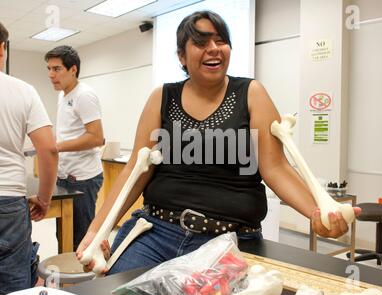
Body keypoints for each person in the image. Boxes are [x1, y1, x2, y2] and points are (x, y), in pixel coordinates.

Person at [77, 11, 361, 274]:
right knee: (121, 292)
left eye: (221, 40)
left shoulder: (251, 93)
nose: (213, 48)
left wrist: (320, 212)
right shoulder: (162, 97)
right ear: (181, 56)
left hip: (230, 241)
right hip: (157, 232)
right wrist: (96, 230)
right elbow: (134, 171)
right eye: (201, 42)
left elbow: (276, 168)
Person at [0, 22, 58, 295]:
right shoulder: (23, 91)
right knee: (13, 283)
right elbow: (48, 150)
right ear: (3, 49)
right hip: (8, 202)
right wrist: (44, 200)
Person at [44, 46, 104, 251]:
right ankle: (65, 280)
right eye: (49, 69)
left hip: (84, 179)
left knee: (80, 237)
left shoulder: (84, 95)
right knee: (64, 233)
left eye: (57, 69)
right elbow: (69, 132)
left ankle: (83, 282)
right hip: (65, 175)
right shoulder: (63, 94)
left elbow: (96, 137)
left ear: (73, 69)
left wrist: (57, 147)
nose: (51, 75)